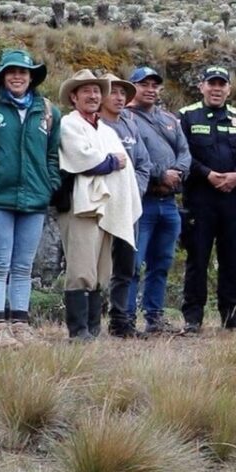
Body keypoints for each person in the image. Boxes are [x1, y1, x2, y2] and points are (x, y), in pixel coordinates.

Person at [0, 49, 61, 347]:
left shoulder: (48, 111)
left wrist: (50, 183)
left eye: (23, 71)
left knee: (23, 265)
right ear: (2, 76)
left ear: (31, 76)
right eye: (11, 72)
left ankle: (20, 325)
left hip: (34, 199)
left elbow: (52, 154)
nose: (17, 76)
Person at [57, 70, 142, 341]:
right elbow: (86, 159)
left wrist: (111, 162)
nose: (93, 96)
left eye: (96, 91)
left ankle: (93, 327)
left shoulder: (105, 130)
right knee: (81, 268)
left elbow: (121, 165)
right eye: (86, 91)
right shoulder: (69, 124)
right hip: (79, 205)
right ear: (74, 96)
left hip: (106, 207)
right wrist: (110, 162)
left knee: (101, 269)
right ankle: (78, 329)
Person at [179, 65, 236, 333]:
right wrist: (207, 174)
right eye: (212, 83)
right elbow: (184, 154)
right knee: (198, 260)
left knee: (231, 259)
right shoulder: (187, 116)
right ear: (202, 86)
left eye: (222, 84)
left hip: (232, 199)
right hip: (200, 198)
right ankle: (193, 318)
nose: (217, 89)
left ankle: (231, 317)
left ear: (229, 89)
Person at [127, 66, 190, 335]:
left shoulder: (170, 119)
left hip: (169, 203)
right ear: (133, 87)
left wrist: (178, 173)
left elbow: (185, 152)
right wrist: (160, 174)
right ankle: (126, 317)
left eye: (154, 85)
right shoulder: (125, 119)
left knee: (161, 262)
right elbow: (132, 155)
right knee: (133, 262)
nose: (150, 90)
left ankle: (155, 316)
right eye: (144, 85)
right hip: (143, 201)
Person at [98, 73, 151, 337]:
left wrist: (134, 191)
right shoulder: (92, 125)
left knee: (126, 265)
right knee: (96, 265)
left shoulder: (130, 125)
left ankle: (120, 321)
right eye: (113, 92)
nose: (119, 98)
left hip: (130, 207)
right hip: (100, 205)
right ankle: (90, 322)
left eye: (123, 93)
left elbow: (143, 163)